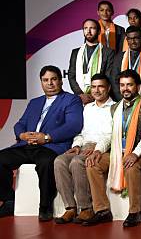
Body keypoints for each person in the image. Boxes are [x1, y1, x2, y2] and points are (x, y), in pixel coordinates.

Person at [0, 66, 83, 220]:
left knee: (45, 163)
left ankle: (45, 206)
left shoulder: (71, 100)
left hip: (51, 146)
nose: (50, 83)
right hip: (27, 145)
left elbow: (73, 125)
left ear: (60, 80)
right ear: (41, 82)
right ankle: (9, 200)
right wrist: (22, 135)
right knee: (1, 159)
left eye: (53, 79)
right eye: (45, 80)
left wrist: (46, 138)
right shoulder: (35, 102)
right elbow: (20, 124)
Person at [84, 69, 141, 227]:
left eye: (129, 85)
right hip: (116, 152)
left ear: (137, 86)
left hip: (139, 153)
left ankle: (134, 212)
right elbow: (108, 136)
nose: (126, 88)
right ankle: (102, 210)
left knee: (131, 167)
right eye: (122, 85)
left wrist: (134, 154)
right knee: (92, 164)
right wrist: (98, 150)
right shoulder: (115, 108)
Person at [53, 74, 114, 224]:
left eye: (101, 86)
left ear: (108, 88)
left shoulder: (115, 108)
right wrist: (76, 146)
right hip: (83, 145)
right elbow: (81, 132)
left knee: (77, 162)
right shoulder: (87, 108)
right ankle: (70, 208)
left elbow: (111, 135)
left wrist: (97, 148)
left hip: (103, 147)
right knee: (59, 161)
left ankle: (86, 208)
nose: (97, 90)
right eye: (93, 87)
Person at [68, 19, 115, 105]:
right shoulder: (75, 52)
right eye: (85, 28)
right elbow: (71, 76)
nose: (88, 31)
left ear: (99, 31)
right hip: (80, 99)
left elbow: (108, 76)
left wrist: (94, 95)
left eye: (92, 28)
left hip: (100, 99)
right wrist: (80, 95)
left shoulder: (108, 52)